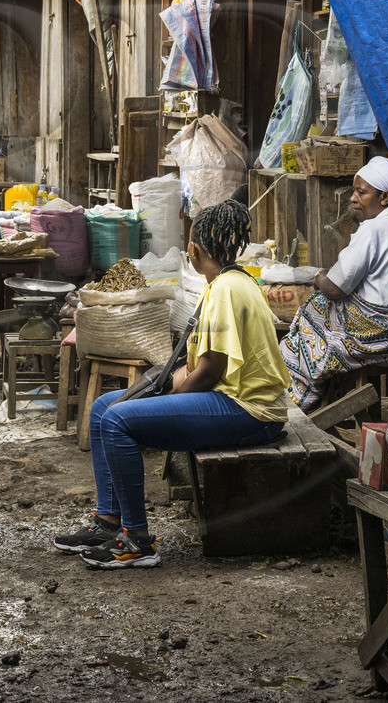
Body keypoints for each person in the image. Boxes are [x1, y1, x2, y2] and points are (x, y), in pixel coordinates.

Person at [54, 200, 290, 569]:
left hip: (250, 411)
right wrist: (165, 391)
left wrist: (168, 399)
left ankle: (137, 540)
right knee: (103, 409)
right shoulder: (229, 283)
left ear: (194, 249)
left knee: (118, 420)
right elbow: (202, 365)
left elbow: (211, 371)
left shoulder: (227, 289)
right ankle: (108, 522)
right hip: (229, 399)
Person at [280, 155, 388, 409]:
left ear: (384, 197)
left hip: (374, 330)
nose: (352, 198)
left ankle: (303, 390)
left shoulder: (373, 229)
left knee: (314, 307)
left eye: (361, 193)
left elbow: (335, 287)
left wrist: (316, 277)